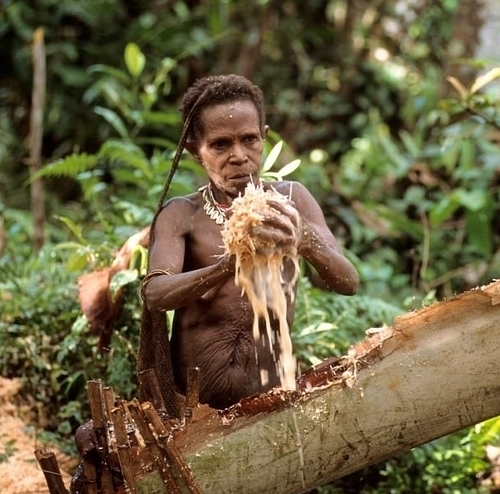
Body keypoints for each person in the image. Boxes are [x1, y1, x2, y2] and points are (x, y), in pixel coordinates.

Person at [140, 73, 359, 410]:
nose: (239, 155)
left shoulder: (292, 200)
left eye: (249, 140)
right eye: (220, 144)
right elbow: (155, 294)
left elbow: (348, 281)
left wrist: (305, 239)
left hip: (271, 403)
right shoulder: (182, 214)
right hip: (196, 409)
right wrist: (229, 264)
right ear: (195, 151)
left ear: (264, 138)